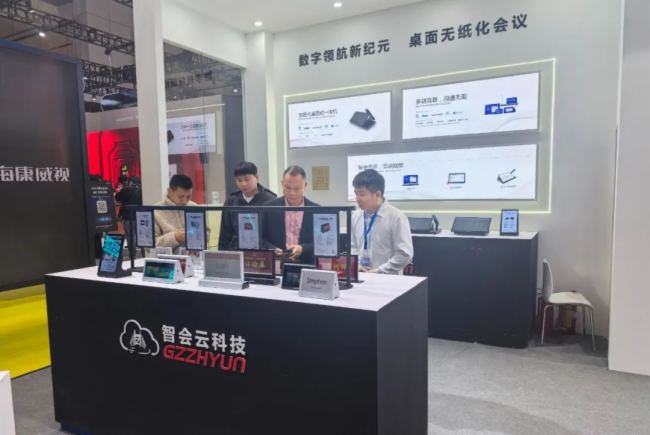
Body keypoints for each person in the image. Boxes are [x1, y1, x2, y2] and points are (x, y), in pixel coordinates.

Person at [350, 169, 413, 274]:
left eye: (362, 194)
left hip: (388, 278)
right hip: (361, 276)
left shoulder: (396, 217)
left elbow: (404, 254)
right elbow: (353, 247)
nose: (357, 199)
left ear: (378, 194)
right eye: (356, 194)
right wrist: (357, 265)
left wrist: (380, 270)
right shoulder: (355, 216)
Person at [262, 165, 319, 264]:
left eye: (297, 188)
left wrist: (303, 248)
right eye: (287, 187)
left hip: (307, 263)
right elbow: (259, 238)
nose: (292, 193)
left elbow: (323, 242)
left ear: (305, 186)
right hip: (277, 262)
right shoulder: (269, 208)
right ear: (282, 184)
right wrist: (272, 249)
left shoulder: (316, 210)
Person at [218, 161, 276, 250]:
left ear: (257, 178)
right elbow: (225, 234)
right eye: (239, 180)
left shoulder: (270, 200)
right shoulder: (231, 202)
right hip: (236, 251)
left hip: (263, 252)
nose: (243, 184)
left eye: (247, 179)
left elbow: (275, 235)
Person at [154, 174, 197, 250]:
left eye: (188, 197)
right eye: (180, 197)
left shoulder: (194, 207)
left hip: (193, 256)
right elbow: (149, 245)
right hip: (167, 257)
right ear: (169, 191)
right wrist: (175, 238)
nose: (185, 201)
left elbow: (206, 234)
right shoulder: (155, 211)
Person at [115, 176, 143, 246]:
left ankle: (132, 252)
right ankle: (143, 251)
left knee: (130, 236)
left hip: (128, 216)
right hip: (140, 216)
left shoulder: (125, 190)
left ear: (130, 182)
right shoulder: (141, 190)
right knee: (141, 235)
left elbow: (117, 198)